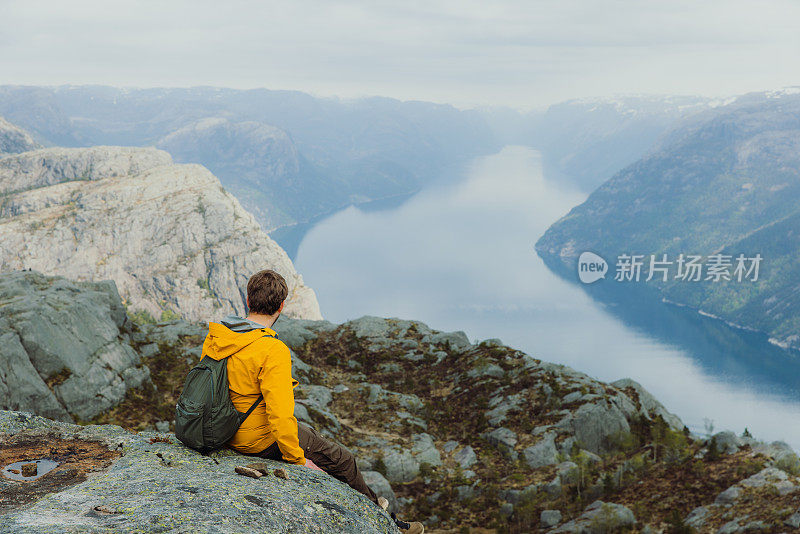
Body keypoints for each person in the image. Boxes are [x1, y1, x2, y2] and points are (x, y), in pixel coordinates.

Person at [201, 269, 424, 534]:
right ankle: (388, 523)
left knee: (312, 436)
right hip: (252, 439)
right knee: (343, 460)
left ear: (248, 301)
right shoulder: (272, 350)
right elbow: (281, 417)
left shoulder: (218, 336)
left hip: (218, 429)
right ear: (282, 306)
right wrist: (298, 460)